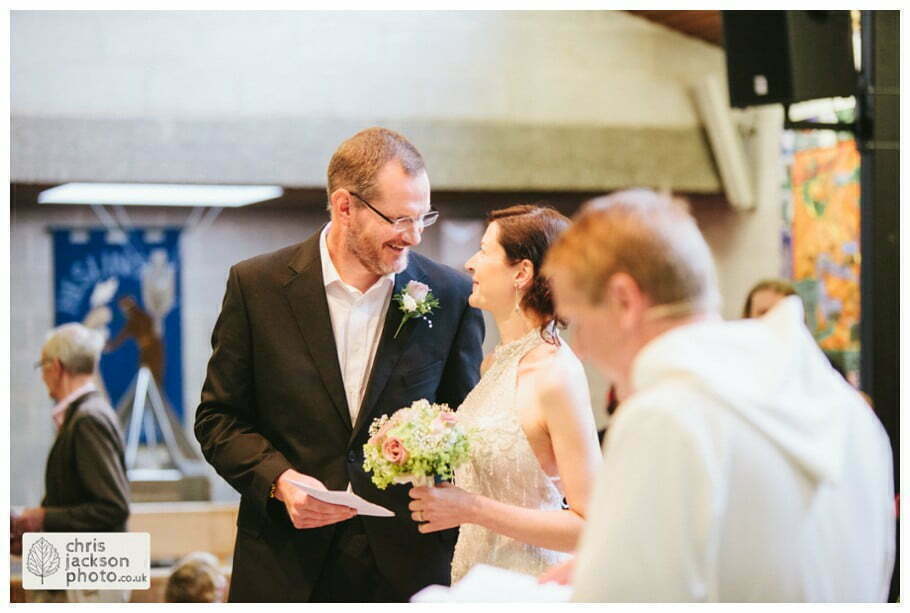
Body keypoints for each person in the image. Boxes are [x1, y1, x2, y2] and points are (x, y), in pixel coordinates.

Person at [540, 189, 895, 602]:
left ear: (624, 299)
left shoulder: (667, 416)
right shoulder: (844, 407)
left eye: (579, 321)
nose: (579, 347)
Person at [194, 127, 485, 602]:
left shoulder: (449, 295)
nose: (412, 237)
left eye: (422, 218)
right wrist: (279, 482)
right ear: (344, 206)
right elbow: (218, 420)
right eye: (398, 219)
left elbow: (463, 429)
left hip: (408, 569)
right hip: (287, 566)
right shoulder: (257, 286)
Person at [407, 205, 601, 583]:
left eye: (484, 250)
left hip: (529, 582)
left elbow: (590, 525)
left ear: (522, 272)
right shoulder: (493, 364)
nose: (470, 263)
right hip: (475, 574)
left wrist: (473, 509)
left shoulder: (555, 374)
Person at [15, 323, 131, 603]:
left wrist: (41, 517)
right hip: (76, 575)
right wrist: (36, 535)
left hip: (90, 585)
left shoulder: (88, 419)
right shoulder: (85, 414)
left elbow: (113, 507)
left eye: (42, 366)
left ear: (56, 366)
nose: (43, 376)